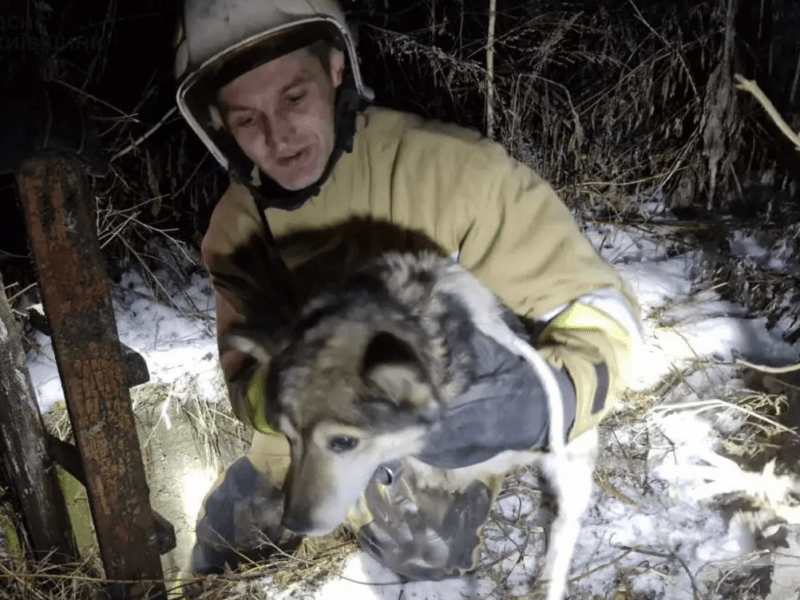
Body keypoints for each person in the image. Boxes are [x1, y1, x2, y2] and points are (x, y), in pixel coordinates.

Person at [173, 0, 642, 582]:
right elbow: (244, 378)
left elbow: (603, 318)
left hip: (432, 439)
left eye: (294, 98)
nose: (277, 136)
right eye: (247, 119)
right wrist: (292, 395)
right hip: (304, 436)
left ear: (337, 70)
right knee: (226, 546)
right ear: (220, 125)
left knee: (424, 549)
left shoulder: (457, 175)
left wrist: (547, 402)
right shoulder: (238, 228)